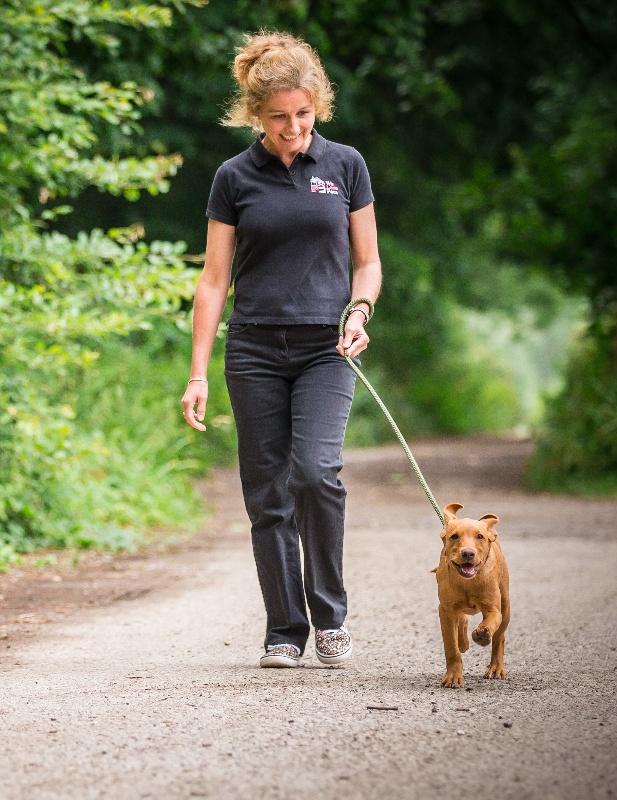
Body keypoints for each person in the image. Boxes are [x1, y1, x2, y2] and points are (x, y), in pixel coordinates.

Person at [180, 30, 382, 669]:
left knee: (317, 473)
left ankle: (330, 616)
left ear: (317, 105)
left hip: (328, 348)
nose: (293, 127)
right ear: (253, 115)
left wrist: (359, 310)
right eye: (277, 117)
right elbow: (214, 280)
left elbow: (369, 263)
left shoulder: (345, 165)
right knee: (266, 491)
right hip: (255, 350)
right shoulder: (233, 176)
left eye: (302, 114)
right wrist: (198, 373)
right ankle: (284, 630)